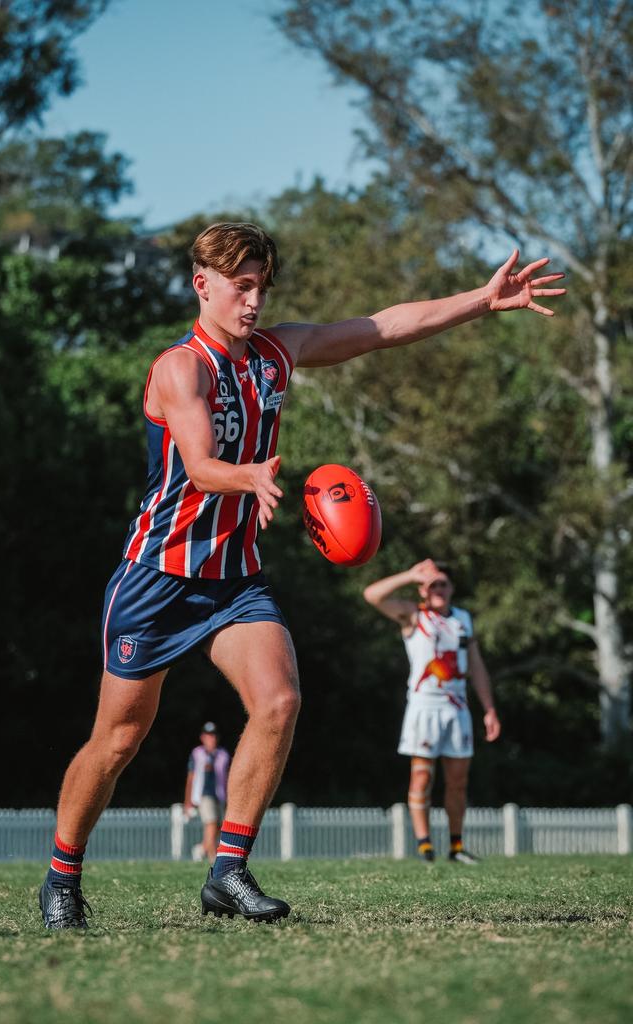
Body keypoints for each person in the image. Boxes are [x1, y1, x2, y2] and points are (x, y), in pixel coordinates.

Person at [38, 221, 565, 928]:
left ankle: (228, 871)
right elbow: (197, 465)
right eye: (240, 286)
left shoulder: (275, 355)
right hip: (157, 579)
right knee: (119, 741)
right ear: (203, 285)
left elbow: (379, 328)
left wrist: (480, 299)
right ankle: (62, 877)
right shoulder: (180, 368)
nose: (253, 302)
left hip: (234, 579)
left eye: (262, 287)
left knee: (280, 702)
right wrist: (246, 475)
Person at [363, 560, 501, 864]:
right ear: (423, 590)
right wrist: (410, 575)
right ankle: (425, 844)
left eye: (444, 584)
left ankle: (456, 846)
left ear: (451, 589)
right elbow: (372, 595)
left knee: (458, 780)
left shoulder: (462, 619)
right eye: (433, 584)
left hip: (457, 707)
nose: (439, 589)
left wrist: (489, 708)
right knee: (422, 777)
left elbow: (476, 666)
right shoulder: (414, 615)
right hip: (425, 705)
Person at [184, 721, 231, 862]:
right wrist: (188, 802)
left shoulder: (223, 755)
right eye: (209, 736)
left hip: (220, 794)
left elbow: (227, 777)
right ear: (203, 737)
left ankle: (201, 849)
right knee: (211, 823)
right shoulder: (197, 754)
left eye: (214, 736)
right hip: (203, 795)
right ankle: (213, 857)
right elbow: (191, 778)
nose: (212, 739)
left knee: (218, 826)